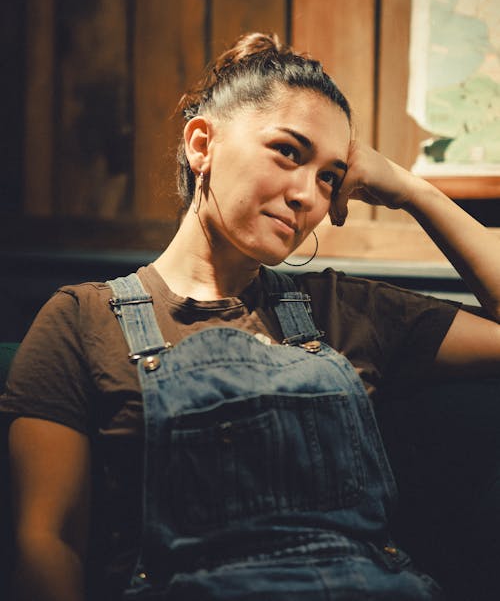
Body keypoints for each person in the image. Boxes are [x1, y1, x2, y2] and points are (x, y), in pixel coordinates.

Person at [1, 32, 499, 601]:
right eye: (289, 151)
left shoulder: (341, 310)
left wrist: (413, 191)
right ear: (201, 143)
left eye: (329, 176)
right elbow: (47, 544)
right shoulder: (82, 320)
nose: (307, 194)